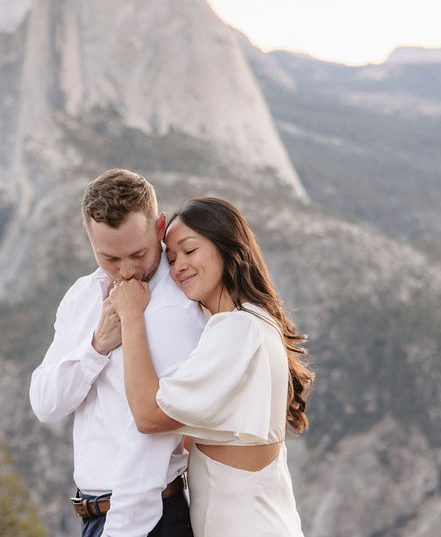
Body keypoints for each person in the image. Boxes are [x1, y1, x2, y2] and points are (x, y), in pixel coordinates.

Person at [109, 196, 313, 536]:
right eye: (171, 259)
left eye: (190, 251)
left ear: (227, 247)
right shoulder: (251, 324)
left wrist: (131, 317)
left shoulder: (238, 329)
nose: (178, 267)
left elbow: (148, 415)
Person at [30, 169, 207, 537]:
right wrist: (96, 347)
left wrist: (119, 531)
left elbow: (154, 433)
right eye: (110, 258)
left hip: (144, 521)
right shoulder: (81, 296)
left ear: (160, 228)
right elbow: (46, 404)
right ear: (88, 234)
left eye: (138, 255)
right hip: (97, 516)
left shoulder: (176, 309)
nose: (126, 272)